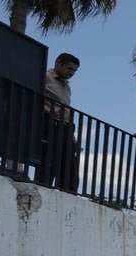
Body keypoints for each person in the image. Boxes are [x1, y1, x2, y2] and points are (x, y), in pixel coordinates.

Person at [38, 52, 80, 191]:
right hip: (50, 123)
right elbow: (34, 96)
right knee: (48, 161)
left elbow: (66, 108)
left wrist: (72, 135)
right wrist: (48, 110)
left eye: (74, 70)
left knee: (69, 166)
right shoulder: (44, 76)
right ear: (58, 63)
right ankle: (44, 187)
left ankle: (68, 194)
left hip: (66, 127)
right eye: (69, 69)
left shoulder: (67, 86)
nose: (72, 73)